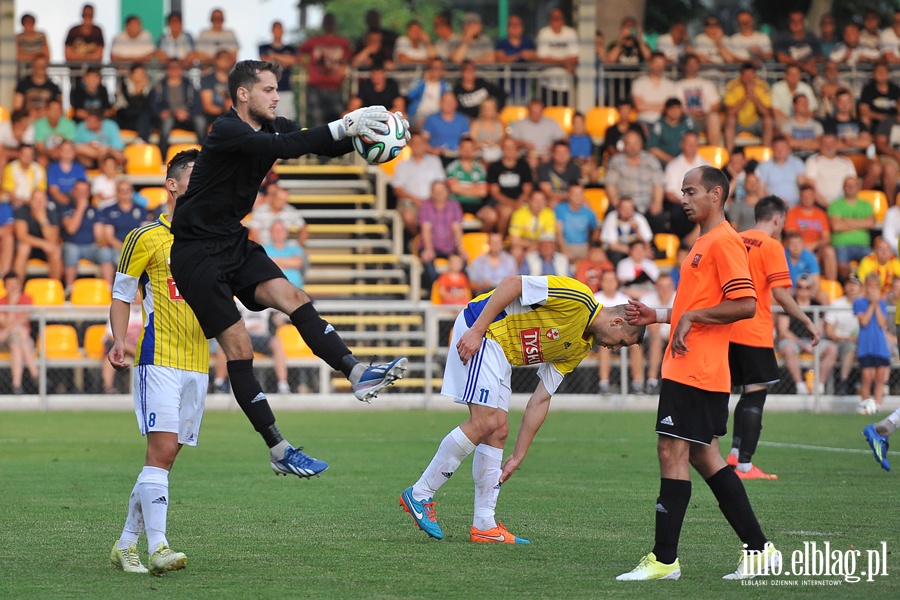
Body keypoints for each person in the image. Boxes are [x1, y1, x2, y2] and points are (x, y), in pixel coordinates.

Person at [169, 60, 408, 478]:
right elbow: (277, 150)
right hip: (194, 252)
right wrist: (342, 123)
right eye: (268, 90)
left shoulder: (274, 126)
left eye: (277, 89)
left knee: (294, 297)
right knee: (240, 348)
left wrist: (371, 131)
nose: (276, 97)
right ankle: (278, 447)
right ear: (243, 94)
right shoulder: (226, 130)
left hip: (232, 240)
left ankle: (356, 373)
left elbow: (320, 145)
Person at [619, 165, 778, 581]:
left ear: (717, 195)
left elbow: (745, 303)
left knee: (672, 451)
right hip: (689, 365)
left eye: (691, 191)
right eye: (682, 191)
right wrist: (659, 315)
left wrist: (691, 317)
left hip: (698, 369)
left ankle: (664, 559)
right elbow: (699, 305)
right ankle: (760, 551)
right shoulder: (704, 242)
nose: (684, 199)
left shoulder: (724, 241)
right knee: (705, 456)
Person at [399, 274, 645, 542]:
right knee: (486, 422)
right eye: (621, 342)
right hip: (485, 329)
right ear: (617, 321)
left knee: (498, 432)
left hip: (502, 353)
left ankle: (484, 524)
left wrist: (518, 455)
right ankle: (421, 493)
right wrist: (478, 330)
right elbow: (513, 284)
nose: (614, 348)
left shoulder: (579, 348)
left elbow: (541, 398)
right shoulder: (579, 298)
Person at [107, 149, 206, 575]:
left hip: (198, 363)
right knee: (161, 452)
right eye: (195, 176)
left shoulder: (212, 238)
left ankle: (126, 544)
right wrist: (117, 340)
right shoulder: (146, 236)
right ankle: (159, 547)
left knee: (162, 460)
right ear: (172, 185)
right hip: (159, 359)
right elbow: (122, 293)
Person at [727, 195, 817, 481]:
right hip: (754, 329)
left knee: (742, 391)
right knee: (755, 393)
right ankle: (745, 466)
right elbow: (780, 293)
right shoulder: (771, 245)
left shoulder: (735, 239)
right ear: (777, 219)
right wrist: (805, 319)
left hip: (727, 328)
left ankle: (733, 454)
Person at [776, 275, 837, 394]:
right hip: (793, 341)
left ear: (811, 289)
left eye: (806, 287)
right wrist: (800, 343)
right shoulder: (789, 304)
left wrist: (812, 342)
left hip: (812, 340)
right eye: (800, 287)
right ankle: (800, 385)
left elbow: (819, 329)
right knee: (788, 349)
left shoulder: (816, 304)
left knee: (832, 349)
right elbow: (783, 331)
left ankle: (819, 385)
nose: (803, 290)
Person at [297, 13, 352, 127]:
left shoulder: (342, 42)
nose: (329, 25)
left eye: (331, 22)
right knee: (317, 120)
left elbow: (348, 59)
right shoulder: (314, 41)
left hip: (335, 86)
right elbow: (300, 52)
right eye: (327, 22)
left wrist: (342, 70)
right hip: (316, 85)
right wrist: (308, 67)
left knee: (338, 120)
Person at [390, 130, 446, 235]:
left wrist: (431, 200)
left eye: (420, 143)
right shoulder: (402, 165)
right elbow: (397, 189)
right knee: (409, 217)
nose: (418, 146)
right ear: (410, 145)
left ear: (425, 144)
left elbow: (441, 184)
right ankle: (418, 237)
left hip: (433, 201)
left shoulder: (434, 161)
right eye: (415, 143)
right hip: (410, 202)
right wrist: (416, 200)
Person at [61, 179, 114, 289]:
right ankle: (69, 289)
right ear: (73, 191)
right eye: (79, 190)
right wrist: (81, 207)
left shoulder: (94, 210)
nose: (82, 193)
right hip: (73, 244)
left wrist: (101, 241)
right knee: (71, 251)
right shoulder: (66, 208)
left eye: (85, 191)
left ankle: (109, 289)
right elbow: (71, 229)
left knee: (105, 252)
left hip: (91, 246)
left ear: (89, 193)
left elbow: (98, 234)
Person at [150, 60, 206, 160]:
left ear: (181, 70)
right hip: (169, 116)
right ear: (167, 70)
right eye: (171, 68)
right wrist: (162, 112)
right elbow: (154, 105)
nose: (174, 70)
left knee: (200, 121)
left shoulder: (189, 85)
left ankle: (205, 156)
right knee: (166, 123)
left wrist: (187, 113)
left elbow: (198, 106)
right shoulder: (159, 86)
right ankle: (162, 158)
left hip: (187, 117)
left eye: (177, 68)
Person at [418, 180, 464, 294]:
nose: (439, 193)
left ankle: (455, 292)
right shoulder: (425, 206)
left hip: (450, 247)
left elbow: (456, 228)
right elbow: (426, 229)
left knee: (463, 262)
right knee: (429, 264)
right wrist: (429, 249)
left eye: (441, 190)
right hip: (431, 245)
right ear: (431, 192)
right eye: (436, 190)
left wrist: (460, 248)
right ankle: (435, 293)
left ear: (447, 191)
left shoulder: (454, 206)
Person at [784, 183, 837, 281]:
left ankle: (832, 285)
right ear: (800, 197)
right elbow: (791, 234)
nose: (807, 198)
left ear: (814, 197)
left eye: (810, 196)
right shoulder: (792, 212)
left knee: (829, 251)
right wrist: (804, 246)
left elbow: (827, 237)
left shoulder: (821, 214)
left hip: (816, 247)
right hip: (797, 247)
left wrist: (814, 245)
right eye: (804, 196)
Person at [855, 273, 891, 416]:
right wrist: (872, 304)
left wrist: (877, 304)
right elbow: (864, 321)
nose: (873, 290)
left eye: (876, 287)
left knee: (880, 377)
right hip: (866, 345)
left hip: (880, 345)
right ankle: (865, 404)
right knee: (867, 377)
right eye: (870, 286)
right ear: (866, 287)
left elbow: (882, 323)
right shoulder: (859, 302)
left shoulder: (882, 304)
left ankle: (877, 405)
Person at [828, 176, 875, 280]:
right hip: (842, 245)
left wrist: (846, 221)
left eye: (853, 185)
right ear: (843, 187)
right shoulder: (835, 205)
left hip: (863, 246)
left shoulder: (866, 205)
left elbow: (871, 223)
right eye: (848, 185)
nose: (851, 188)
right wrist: (860, 222)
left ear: (859, 187)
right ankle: (847, 287)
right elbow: (836, 226)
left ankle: (864, 290)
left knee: (874, 263)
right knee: (842, 266)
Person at [0, 272, 38, 395]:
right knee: (19, 332)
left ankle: (16, 385)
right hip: (5, 341)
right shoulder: (1, 302)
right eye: (10, 285)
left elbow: (24, 319)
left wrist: (6, 331)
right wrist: (12, 303)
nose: (13, 288)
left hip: (15, 338)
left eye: (15, 284)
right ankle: (36, 375)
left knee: (18, 338)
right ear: (5, 286)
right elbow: (5, 322)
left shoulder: (27, 299)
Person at [486, 136, 533, 235]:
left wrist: (519, 201)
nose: (510, 150)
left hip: (521, 201)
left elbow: (527, 189)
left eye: (512, 147)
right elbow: (495, 192)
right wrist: (512, 203)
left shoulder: (523, 166)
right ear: (502, 149)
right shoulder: (494, 167)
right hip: (500, 202)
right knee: (506, 212)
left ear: (517, 149)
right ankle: (500, 241)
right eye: (507, 147)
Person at [723, 63, 774, 153]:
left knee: (769, 120)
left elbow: (766, 112)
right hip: (738, 122)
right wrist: (746, 96)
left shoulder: (763, 86)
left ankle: (766, 154)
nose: (748, 78)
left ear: (755, 75)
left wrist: (754, 96)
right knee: (730, 119)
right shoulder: (732, 86)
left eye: (751, 75)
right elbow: (730, 112)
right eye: (746, 75)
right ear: (741, 76)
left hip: (755, 122)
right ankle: (730, 154)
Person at [13, 189, 62, 281]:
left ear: (46, 201)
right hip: (30, 245)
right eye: (36, 199)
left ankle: (55, 287)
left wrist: (43, 220)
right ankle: (17, 286)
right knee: (23, 247)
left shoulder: (51, 212)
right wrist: (43, 244)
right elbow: (21, 235)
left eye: (42, 199)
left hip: (45, 249)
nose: (39, 203)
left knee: (56, 251)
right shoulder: (22, 210)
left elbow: (53, 239)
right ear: (30, 201)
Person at [639, 272, 676, 395]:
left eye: (667, 287)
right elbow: (653, 329)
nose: (664, 290)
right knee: (656, 339)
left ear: (672, 287)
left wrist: (659, 314)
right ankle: (652, 380)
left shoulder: (679, 298)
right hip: (650, 341)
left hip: (675, 338)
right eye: (661, 287)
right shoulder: (647, 300)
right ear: (656, 287)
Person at [825, 274, 861, 396]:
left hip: (861, 341)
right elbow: (829, 331)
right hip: (839, 341)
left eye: (855, 284)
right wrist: (846, 338)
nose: (852, 288)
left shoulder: (865, 304)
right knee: (849, 347)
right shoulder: (836, 304)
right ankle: (843, 382)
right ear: (845, 287)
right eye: (849, 284)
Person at [675, 53, 722, 146]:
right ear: (685, 66)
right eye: (690, 64)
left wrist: (705, 112)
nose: (692, 66)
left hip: (705, 118)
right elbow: (676, 107)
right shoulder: (677, 86)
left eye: (695, 63)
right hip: (687, 118)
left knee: (714, 117)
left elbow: (716, 105)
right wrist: (691, 113)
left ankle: (714, 150)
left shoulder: (707, 84)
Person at [535, 9, 579, 107]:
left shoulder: (570, 33)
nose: (556, 21)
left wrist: (554, 60)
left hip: (565, 84)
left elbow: (575, 57)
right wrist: (564, 62)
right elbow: (542, 58)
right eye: (554, 18)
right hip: (546, 83)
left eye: (559, 18)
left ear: (563, 20)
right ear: (549, 20)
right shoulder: (544, 33)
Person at [259, 21, 298, 121]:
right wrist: (283, 60)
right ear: (272, 31)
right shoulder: (264, 47)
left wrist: (274, 56)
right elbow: (265, 61)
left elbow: (292, 60)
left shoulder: (290, 48)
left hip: (285, 88)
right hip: (269, 89)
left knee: (286, 119)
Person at [600, 196, 653, 265]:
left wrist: (637, 231)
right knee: (615, 255)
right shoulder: (612, 218)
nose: (627, 211)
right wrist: (633, 252)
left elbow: (647, 242)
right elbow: (612, 246)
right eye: (624, 208)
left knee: (648, 254)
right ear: (618, 209)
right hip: (619, 250)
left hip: (635, 248)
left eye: (630, 208)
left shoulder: (639, 218)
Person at [632, 53, 679, 128]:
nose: (659, 66)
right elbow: (639, 106)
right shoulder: (639, 83)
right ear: (650, 64)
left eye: (662, 63)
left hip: (664, 122)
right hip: (643, 121)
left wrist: (647, 105)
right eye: (656, 63)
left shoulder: (670, 85)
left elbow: (671, 107)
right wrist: (661, 106)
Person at [773, 10, 823, 78]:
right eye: (793, 21)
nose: (796, 24)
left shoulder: (812, 37)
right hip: (788, 78)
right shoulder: (782, 37)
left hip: (811, 77)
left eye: (799, 21)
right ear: (789, 23)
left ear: (804, 22)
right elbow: (781, 58)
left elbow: (821, 57)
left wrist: (814, 60)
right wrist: (803, 65)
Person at [114, 64, 153, 142]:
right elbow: (128, 104)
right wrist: (138, 91)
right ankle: (142, 139)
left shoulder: (148, 86)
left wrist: (143, 90)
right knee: (143, 115)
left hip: (140, 119)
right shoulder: (123, 84)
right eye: (137, 73)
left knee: (145, 115)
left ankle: (141, 140)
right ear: (131, 75)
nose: (140, 76)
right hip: (125, 116)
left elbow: (148, 104)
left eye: (142, 74)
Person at [200, 51, 235, 126]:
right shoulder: (207, 79)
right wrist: (224, 111)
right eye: (222, 58)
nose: (225, 61)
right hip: (214, 116)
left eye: (227, 58)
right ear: (215, 61)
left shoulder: (236, 79)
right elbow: (208, 106)